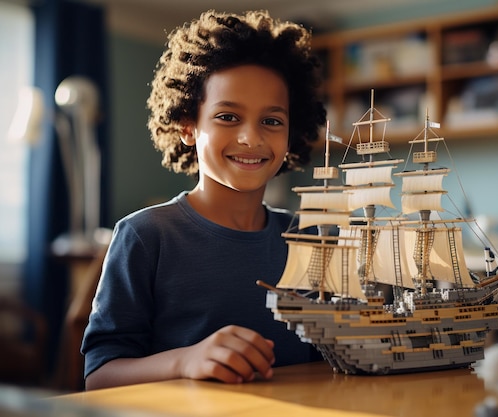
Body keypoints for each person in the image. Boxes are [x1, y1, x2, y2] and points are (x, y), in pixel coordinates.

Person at [81, 9, 326, 390]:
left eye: (272, 121)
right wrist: (185, 360)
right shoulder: (145, 236)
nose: (251, 138)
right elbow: (99, 377)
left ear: (292, 133)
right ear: (188, 127)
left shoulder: (310, 238)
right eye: (228, 116)